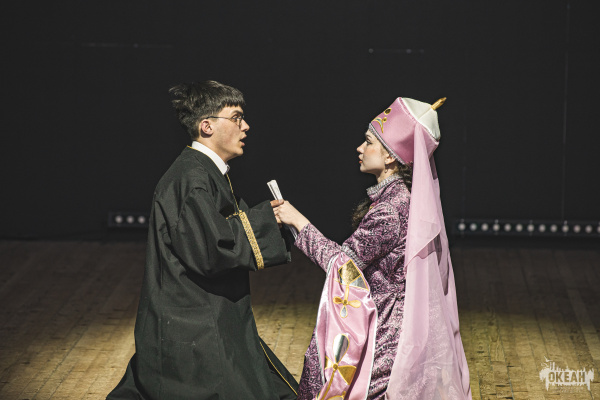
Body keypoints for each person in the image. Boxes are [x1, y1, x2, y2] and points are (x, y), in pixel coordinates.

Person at [107, 80, 298, 400]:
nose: (246, 126)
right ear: (207, 126)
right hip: (194, 326)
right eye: (236, 118)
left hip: (211, 315)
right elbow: (211, 249)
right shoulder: (191, 179)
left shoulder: (206, 172)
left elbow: (223, 228)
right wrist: (269, 218)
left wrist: (271, 220)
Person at [275, 97, 471, 399]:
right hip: (393, 324)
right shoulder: (401, 200)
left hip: (384, 331)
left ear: (390, 157)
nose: (359, 148)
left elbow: (342, 264)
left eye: (368, 142)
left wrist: (297, 221)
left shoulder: (390, 210)